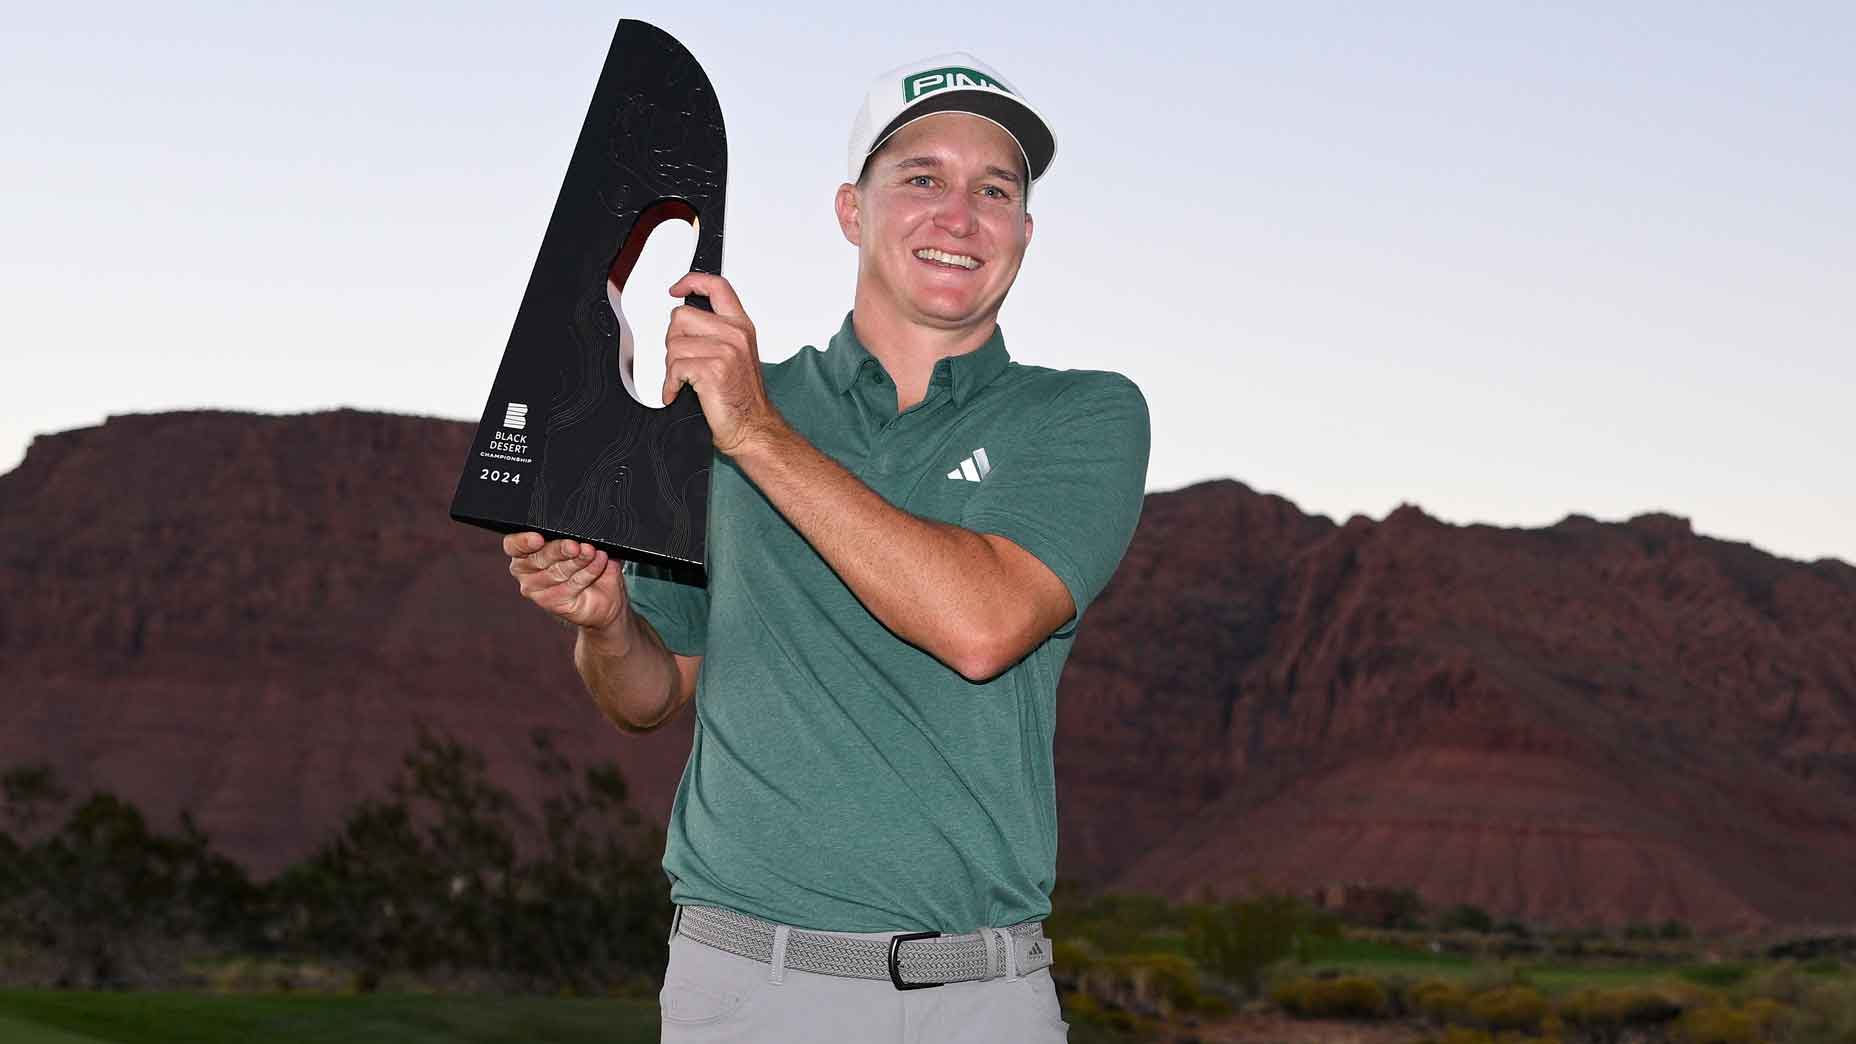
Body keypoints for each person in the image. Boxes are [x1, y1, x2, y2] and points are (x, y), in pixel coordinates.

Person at [502, 51, 1148, 1043]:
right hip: (742, 987)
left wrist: (756, 433)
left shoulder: (1078, 416)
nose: (957, 214)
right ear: (852, 210)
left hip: (972, 997)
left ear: (1022, 230)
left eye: (994, 190)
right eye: (920, 178)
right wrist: (605, 623)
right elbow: (647, 694)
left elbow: (981, 625)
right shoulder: (722, 406)